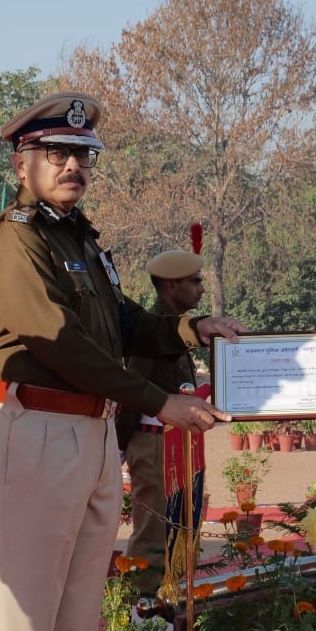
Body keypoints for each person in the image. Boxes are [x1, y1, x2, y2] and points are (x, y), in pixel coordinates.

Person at [0, 92, 242, 631]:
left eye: (81, 156)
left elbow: (119, 323)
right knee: (28, 617)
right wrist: (158, 398)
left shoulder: (79, 241)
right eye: (56, 154)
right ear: (21, 162)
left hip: (86, 430)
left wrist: (189, 325)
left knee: (73, 618)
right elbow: (57, 338)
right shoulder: (15, 239)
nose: (71, 166)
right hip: (35, 421)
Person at [117, 249, 206, 594]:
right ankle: (142, 615)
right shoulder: (153, 330)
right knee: (154, 532)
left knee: (181, 528)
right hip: (154, 443)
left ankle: (166, 609)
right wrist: (122, 445)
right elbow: (133, 389)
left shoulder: (170, 328)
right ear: (171, 286)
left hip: (175, 441)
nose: (200, 289)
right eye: (193, 281)